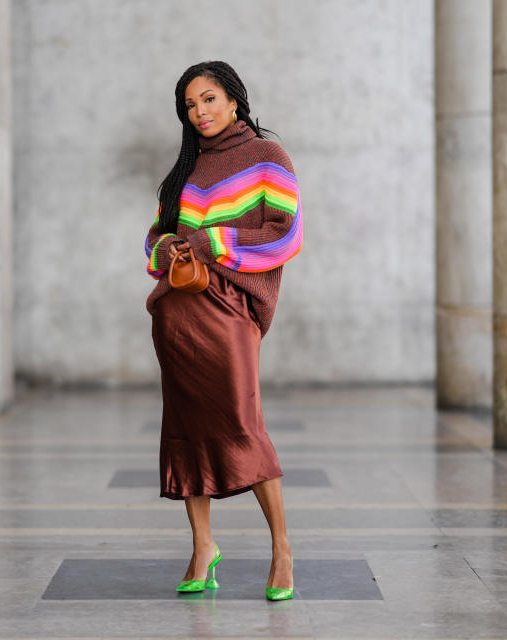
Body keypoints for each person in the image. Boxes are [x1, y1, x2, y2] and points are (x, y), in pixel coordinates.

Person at [144, 60, 303, 601]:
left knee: (243, 421)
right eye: (190, 105)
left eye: (208, 99)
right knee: (185, 425)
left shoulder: (267, 158)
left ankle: (281, 549)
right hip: (178, 312)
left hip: (231, 308)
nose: (200, 112)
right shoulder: (185, 169)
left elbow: (284, 234)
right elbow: (154, 239)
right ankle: (203, 546)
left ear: (234, 100)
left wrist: (212, 242)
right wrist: (166, 247)